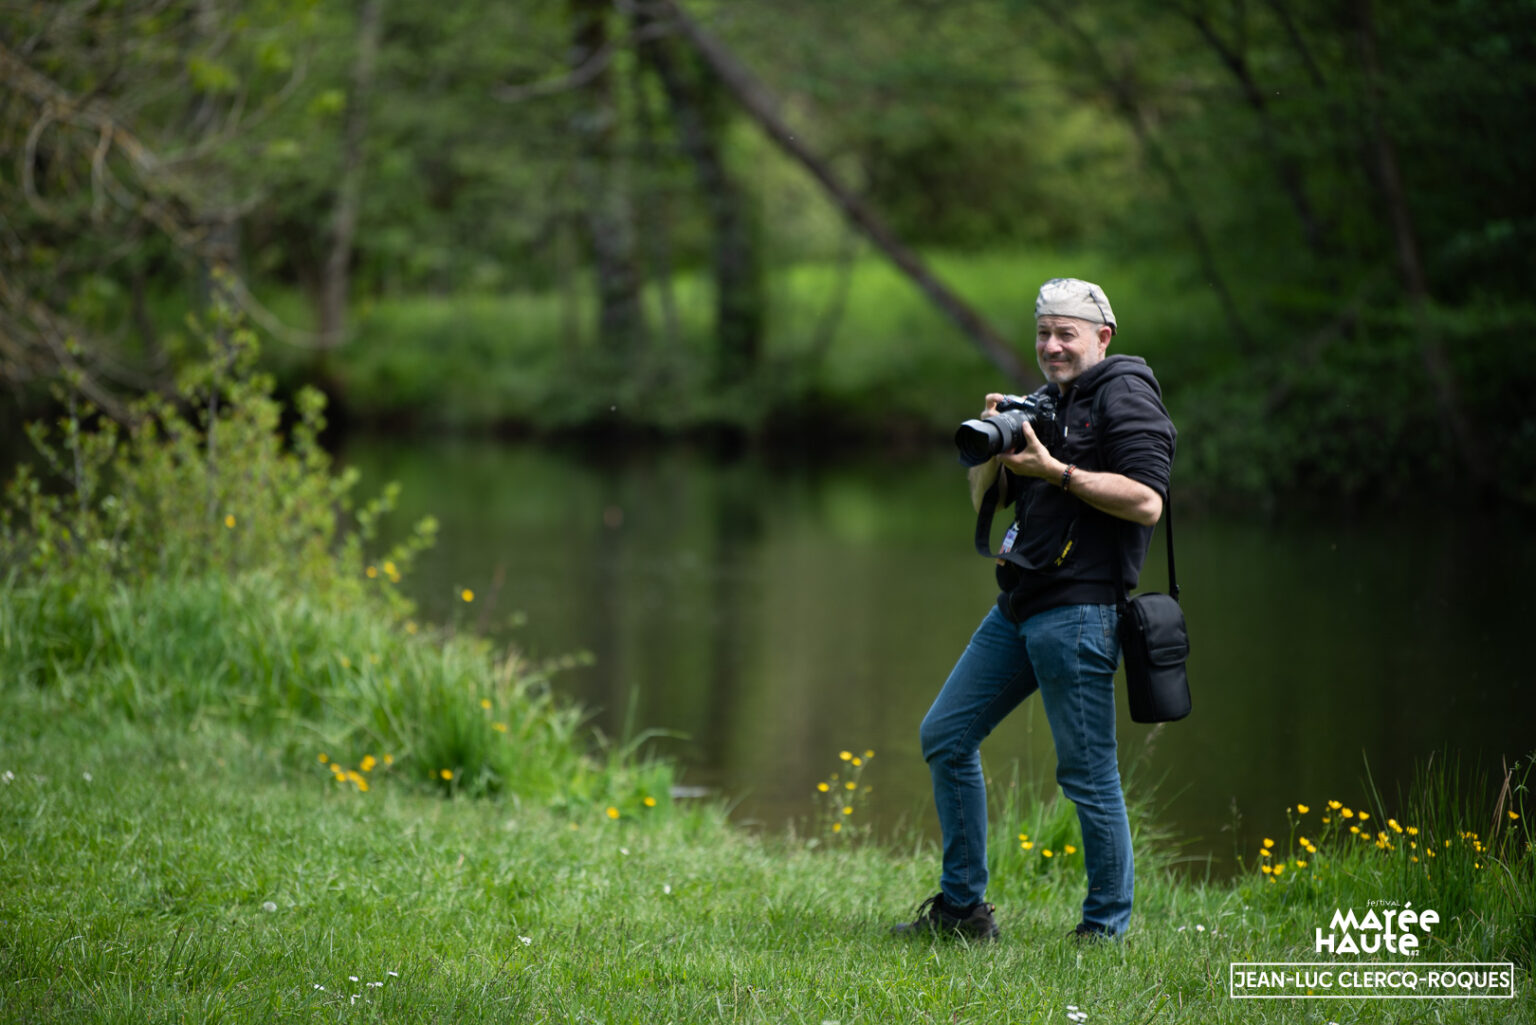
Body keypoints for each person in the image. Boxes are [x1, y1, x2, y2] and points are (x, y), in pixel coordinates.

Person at [892, 277, 1176, 942]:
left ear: (1102, 337)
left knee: (1087, 773)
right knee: (945, 735)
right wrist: (995, 446)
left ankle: (1104, 930)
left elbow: (1147, 502)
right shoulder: (1050, 401)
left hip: (1081, 610)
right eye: (1043, 333)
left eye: (1065, 333)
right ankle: (962, 912)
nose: (1051, 345)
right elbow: (986, 501)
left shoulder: (1126, 395)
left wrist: (1057, 471)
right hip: (1022, 603)